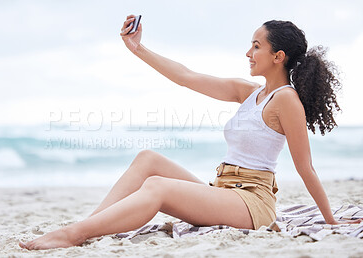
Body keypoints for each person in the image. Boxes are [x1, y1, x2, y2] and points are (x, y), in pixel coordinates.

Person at [19, 15, 362, 250]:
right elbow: (185, 76)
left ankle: (72, 235)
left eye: (257, 46)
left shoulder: (286, 100)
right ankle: (88, 227)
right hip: (225, 191)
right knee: (148, 160)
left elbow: (306, 168)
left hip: (252, 203)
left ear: (279, 56)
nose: (248, 52)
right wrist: (137, 48)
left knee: (157, 187)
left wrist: (330, 220)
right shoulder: (249, 93)